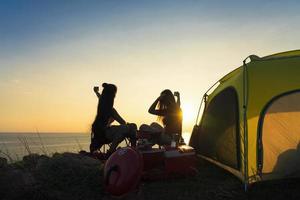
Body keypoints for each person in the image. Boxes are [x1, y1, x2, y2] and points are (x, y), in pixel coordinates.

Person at [90, 83, 137, 156]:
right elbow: (122, 122)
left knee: (127, 128)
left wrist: (96, 92)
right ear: (112, 96)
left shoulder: (102, 104)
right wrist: (130, 125)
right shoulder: (111, 110)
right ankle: (112, 152)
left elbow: (100, 97)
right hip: (103, 135)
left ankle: (131, 150)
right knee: (130, 128)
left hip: (97, 133)